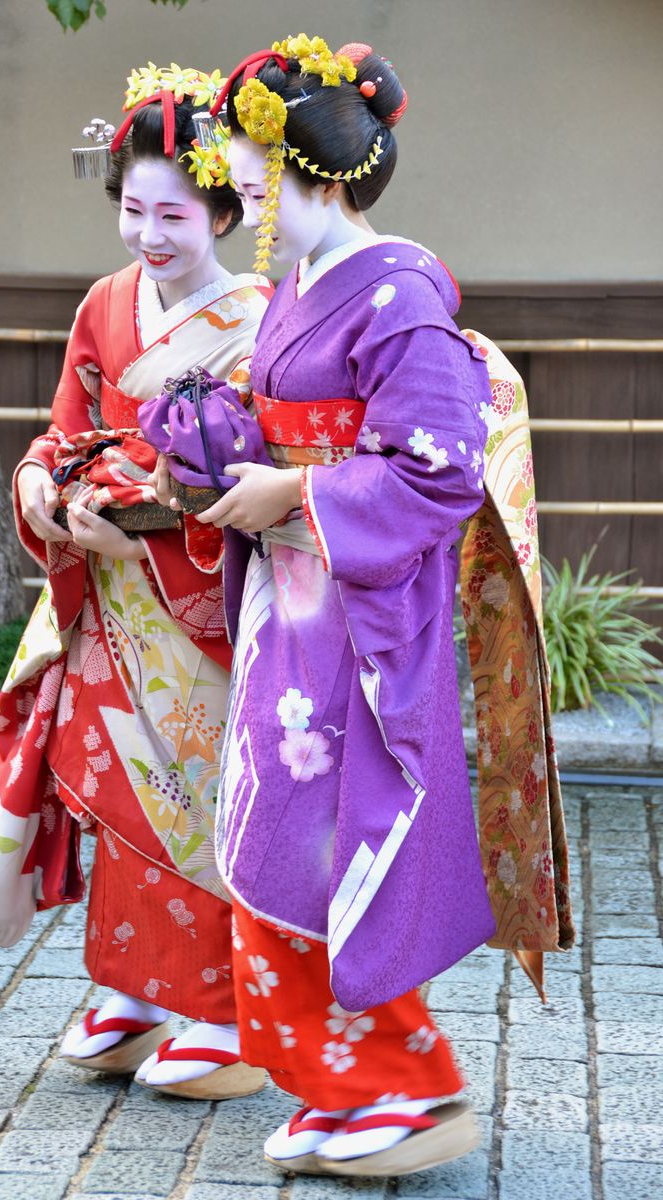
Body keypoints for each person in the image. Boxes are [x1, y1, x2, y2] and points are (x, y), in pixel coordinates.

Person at [146, 36, 572, 1177]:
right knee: (270, 841)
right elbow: (282, 415)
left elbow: (435, 465)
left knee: (333, 848)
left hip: (362, 624)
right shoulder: (300, 289)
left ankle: (411, 1087)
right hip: (295, 611)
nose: (234, 181)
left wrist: (293, 485)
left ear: (310, 171)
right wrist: (210, 444)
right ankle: (337, 1084)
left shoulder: (399, 295)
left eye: (247, 168)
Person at [0, 63, 273, 1100]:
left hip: (203, 607)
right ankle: (135, 993)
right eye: (134, 210)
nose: (149, 235)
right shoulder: (105, 303)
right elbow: (62, 431)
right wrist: (42, 493)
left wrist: (144, 531)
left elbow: (257, 478)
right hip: (108, 604)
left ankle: (226, 1010)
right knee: (121, 797)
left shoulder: (259, 319)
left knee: (201, 796)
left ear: (225, 211)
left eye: (175, 214)